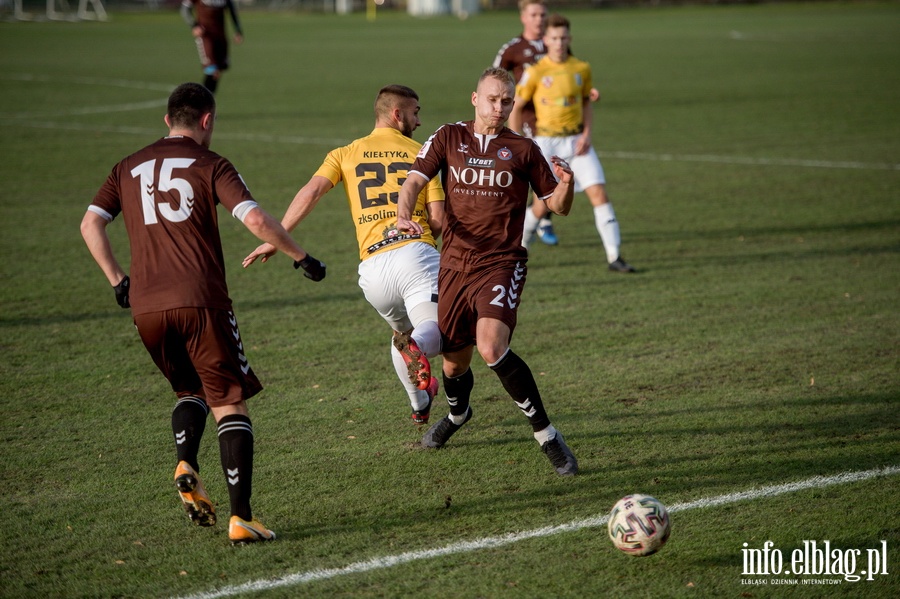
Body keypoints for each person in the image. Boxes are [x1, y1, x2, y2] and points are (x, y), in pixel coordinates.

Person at [80, 82, 327, 544]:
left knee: (188, 389)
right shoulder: (211, 164)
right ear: (207, 120)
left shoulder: (126, 166)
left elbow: (90, 222)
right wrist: (300, 256)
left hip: (147, 307)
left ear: (167, 120)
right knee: (230, 402)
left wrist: (118, 281)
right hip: (200, 301)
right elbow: (254, 219)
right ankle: (242, 519)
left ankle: (186, 461)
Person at [396, 67, 579, 476]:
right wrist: (403, 215)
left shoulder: (524, 149)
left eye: (507, 101)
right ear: (475, 98)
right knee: (453, 364)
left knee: (491, 347)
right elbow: (413, 181)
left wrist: (566, 183)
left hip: (501, 262)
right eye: (493, 99)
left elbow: (558, 206)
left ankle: (547, 435)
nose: (499, 108)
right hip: (455, 264)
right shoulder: (448, 136)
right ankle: (458, 416)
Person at [243, 85, 445, 425]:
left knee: (403, 338)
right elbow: (439, 219)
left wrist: (278, 238)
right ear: (398, 115)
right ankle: (422, 357)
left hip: (373, 270)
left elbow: (311, 192)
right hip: (414, 255)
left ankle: (419, 403)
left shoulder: (345, 153)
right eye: (415, 112)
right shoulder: (422, 154)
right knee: (438, 329)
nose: (419, 121)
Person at [509, 13, 636, 273]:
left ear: (569, 38)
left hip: (577, 142)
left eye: (563, 37)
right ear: (546, 39)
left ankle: (615, 257)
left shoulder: (581, 68)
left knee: (599, 193)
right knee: (543, 204)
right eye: (554, 38)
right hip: (547, 143)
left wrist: (587, 134)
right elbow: (516, 106)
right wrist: (519, 141)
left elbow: (586, 102)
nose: (559, 42)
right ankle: (519, 247)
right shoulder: (535, 71)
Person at [493, 0, 600, 249]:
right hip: (527, 118)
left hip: (552, 118)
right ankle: (533, 222)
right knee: (529, 174)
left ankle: (539, 220)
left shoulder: (556, 42)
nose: (539, 19)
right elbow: (494, 76)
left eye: (543, 14)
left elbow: (572, 77)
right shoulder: (513, 48)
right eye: (534, 14)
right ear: (524, 18)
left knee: (545, 174)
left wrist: (587, 91)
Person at [181, 0, 243, 95]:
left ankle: (206, 102)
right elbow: (185, 9)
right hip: (206, 36)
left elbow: (232, 11)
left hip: (220, 36)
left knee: (217, 72)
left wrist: (238, 30)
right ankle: (202, 102)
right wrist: (194, 25)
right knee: (212, 70)